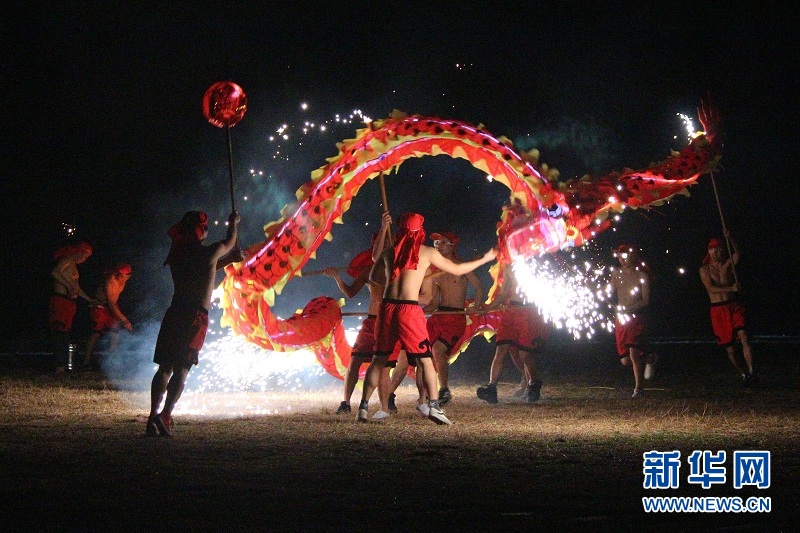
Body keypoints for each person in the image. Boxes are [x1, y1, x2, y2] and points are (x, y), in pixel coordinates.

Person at [358, 212, 497, 425]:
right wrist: (485, 258)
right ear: (420, 231)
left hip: (387, 308)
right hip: (408, 309)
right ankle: (434, 406)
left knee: (378, 359)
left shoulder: (388, 252)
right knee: (425, 359)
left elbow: (372, 271)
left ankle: (363, 408)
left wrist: (384, 228)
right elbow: (458, 268)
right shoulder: (426, 252)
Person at [147, 210, 240, 437]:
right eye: (205, 228)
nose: (207, 232)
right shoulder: (208, 251)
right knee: (182, 368)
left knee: (165, 367)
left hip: (175, 312)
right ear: (200, 230)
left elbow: (204, 269)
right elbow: (229, 242)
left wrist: (228, 260)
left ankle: (151, 417)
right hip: (195, 317)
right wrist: (233, 223)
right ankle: (166, 415)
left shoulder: (178, 254)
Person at [324, 228, 392, 419]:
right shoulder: (368, 270)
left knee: (384, 367)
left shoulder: (398, 270)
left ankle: (385, 407)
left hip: (388, 323)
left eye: (387, 243)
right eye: (379, 244)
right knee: (355, 361)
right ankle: (346, 403)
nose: (383, 247)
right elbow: (350, 292)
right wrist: (337, 277)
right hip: (371, 323)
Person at [422, 231, 485, 405]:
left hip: (455, 317)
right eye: (435, 244)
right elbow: (434, 302)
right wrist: (417, 310)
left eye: (441, 243)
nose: (437, 247)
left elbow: (479, 287)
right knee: (424, 353)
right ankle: (429, 393)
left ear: (452, 245)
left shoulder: (462, 266)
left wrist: (477, 307)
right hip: (438, 317)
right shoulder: (435, 271)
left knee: (438, 350)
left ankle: (444, 390)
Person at [476, 263, 548, 404]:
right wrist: (487, 308)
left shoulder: (538, 266)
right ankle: (491, 388)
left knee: (525, 354)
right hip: (511, 311)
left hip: (529, 312)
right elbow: (503, 295)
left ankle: (534, 383)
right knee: (501, 349)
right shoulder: (509, 268)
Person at [699, 230, 757, 385]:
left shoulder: (728, 265)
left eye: (718, 249)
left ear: (723, 250)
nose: (715, 252)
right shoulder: (704, 269)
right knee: (730, 349)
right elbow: (710, 289)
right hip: (718, 309)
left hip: (733, 306)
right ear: (709, 251)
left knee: (744, 337)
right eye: (712, 249)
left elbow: (738, 252)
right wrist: (731, 288)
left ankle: (752, 371)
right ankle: (743, 373)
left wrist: (729, 236)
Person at [607, 244, 657, 398]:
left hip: (636, 318)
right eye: (619, 255)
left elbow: (646, 300)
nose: (622, 258)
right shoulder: (616, 274)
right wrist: (611, 302)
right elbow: (610, 293)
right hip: (622, 320)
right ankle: (649, 357)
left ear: (633, 255)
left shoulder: (642, 275)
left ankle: (639, 389)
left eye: (625, 255)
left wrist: (630, 309)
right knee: (626, 361)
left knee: (634, 353)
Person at [48, 241, 97, 374]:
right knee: (60, 331)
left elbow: (76, 288)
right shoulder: (66, 259)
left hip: (68, 302)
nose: (85, 259)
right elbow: (55, 272)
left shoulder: (73, 265)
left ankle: (63, 365)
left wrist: (89, 299)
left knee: (65, 333)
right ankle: (60, 366)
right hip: (60, 299)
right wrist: (69, 285)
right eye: (85, 256)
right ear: (78, 252)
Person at [83, 262, 133, 369]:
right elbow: (110, 301)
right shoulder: (110, 279)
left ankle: (112, 362)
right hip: (100, 306)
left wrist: (119, 316)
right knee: (95, 333)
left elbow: (113, 302)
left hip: (111, 308)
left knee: (115, 333)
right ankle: (86, 362)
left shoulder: (123, 282)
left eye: (123, 275)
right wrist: (124, 319)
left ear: (128, 276)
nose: (120, 277)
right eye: (119, 274)